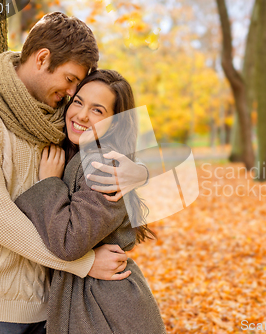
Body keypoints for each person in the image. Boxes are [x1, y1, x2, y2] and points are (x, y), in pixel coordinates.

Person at [0, 12, 147, 333]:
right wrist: (83, 264)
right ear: (43, 59)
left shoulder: (58, 115)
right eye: (70, 80)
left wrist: (139, 171)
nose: (72, 94)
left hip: (53, 308)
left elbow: (109, 139)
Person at [14, 69, 166, 334]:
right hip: (91, 299)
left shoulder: (103, 164)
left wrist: (48, 183)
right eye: (79, 102)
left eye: (98, 111)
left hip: (105, 308)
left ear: (115, 122)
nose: (82, 115)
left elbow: (69, 242)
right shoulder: (80, 152)